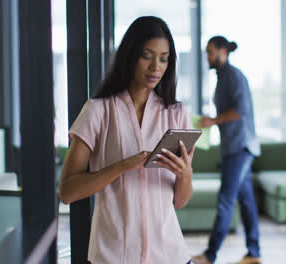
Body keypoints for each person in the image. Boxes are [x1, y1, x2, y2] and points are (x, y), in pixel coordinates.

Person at [58, 16, 195, 264]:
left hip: (169, 255)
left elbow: (180, 200)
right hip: (113, 256)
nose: (156, 67)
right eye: (147, 56)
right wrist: (121, 166)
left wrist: (185, 174)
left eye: (163, 58)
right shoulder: (97, 111)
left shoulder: (176, 115)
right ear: (130, 55)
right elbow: (67, 191)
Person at [192, 36, 262, 264]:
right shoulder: (222, 77)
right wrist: (212, 121)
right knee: (246, 201)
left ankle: (210, 255)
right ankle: (254, 252)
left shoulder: (233, 76)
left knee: (225, 201)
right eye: (206, 53)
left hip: (240, 147)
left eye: (210, 52)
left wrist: (213, 121)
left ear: (223, 51)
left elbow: (240, 110)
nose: (207, 57)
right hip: (235, 147)